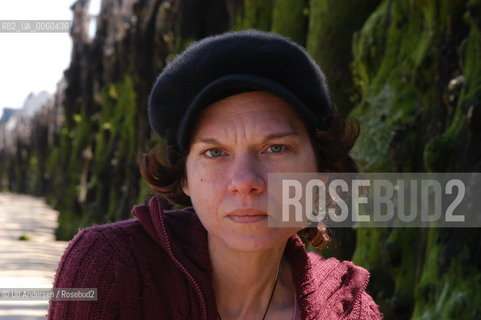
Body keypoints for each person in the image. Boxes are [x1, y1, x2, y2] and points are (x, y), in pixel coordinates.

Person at [48, 30, 382, 319]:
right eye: (214, 152)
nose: (245, 182)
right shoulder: (109, 267)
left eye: (275, 148)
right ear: (184, 179)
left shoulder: (348, 309)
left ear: (322, 170)